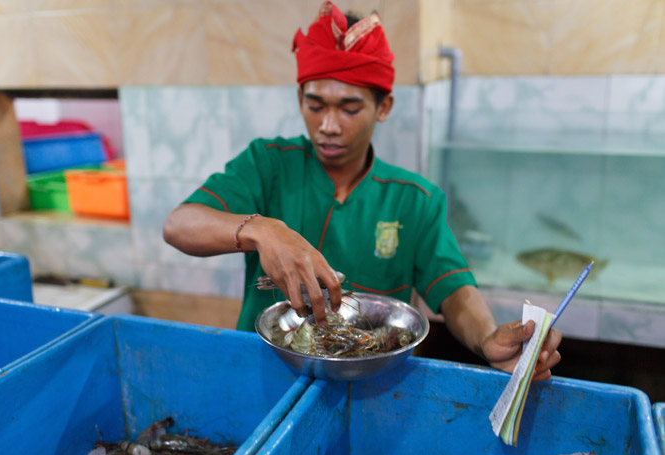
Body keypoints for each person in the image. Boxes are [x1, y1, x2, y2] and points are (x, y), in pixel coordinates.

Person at [163, 1, 562, 381]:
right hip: (268, 376)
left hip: (374, 388)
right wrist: (261, 230)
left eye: (350, 109)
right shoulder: (268, 164)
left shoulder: (415, 200)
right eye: (315, 105)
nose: (329, 125)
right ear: (299, 98)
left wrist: (488, 338)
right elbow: (179, 225)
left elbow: (455, 290)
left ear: (383, 107)